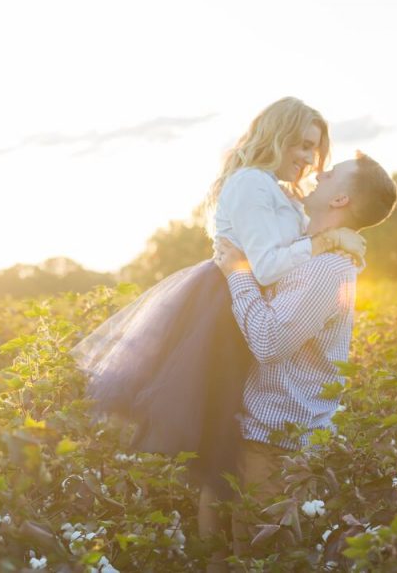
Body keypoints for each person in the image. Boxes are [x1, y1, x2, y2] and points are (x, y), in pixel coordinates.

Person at [69, 97, 364, 555]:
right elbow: (264, 268)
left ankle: (224, 554)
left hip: (247, 306)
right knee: (226, 442)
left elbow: (295, 254)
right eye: (304, 145)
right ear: (278, 134)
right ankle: (219, 554)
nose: (310, 159)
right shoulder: (250, 183)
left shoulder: (282, 191)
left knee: (230, 444)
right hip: (226, 309)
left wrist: (327, 238)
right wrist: (326, 240)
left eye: (316, 151)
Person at [213, 151, 397, 564]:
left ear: (340, 200)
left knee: (261, 561)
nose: (321, 171)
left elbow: (268, 340)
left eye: (332, 173)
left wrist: (238, 273)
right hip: (256, 439)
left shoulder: (327, 270)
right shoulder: (304, 252)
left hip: (276, 449)